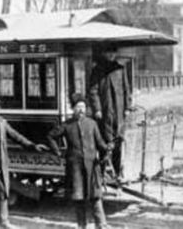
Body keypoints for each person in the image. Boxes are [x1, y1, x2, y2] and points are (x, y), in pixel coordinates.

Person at [0, 96, 48, 229]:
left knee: (3, 192)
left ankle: (4, 221)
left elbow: (17, 137)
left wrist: (33, 146)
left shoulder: (3, 124)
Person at [47, 94, 111, 229]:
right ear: (73, 109)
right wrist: (58, 152)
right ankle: (82, 225)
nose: (81, 110)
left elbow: (100, 143)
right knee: (79, 198)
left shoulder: (92, 124)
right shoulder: (67, 125)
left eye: (83, 107)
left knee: (96, 197)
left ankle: (101, 225)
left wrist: (108, 148)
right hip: (75, 168)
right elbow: (51, 136)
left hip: (92, 167)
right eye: (78, 107)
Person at [88, 48, 131, 177]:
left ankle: (116, 172)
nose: (111, 55)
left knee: (118, 139)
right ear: (103, 53)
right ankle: (102, 173)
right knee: (104, 140)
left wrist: (127, 107)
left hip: (119, 110)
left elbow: (126, 89)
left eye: (113, 52)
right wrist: (97, 109)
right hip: (105, 111)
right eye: (108, 52)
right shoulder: (97, 70)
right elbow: (93, 91)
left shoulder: (120, 69)